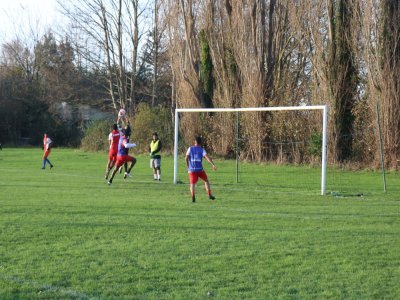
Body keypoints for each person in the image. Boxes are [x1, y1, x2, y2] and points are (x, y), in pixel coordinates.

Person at [185, 136, 216, 202]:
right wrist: (212, 164)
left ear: (195, 142)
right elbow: (207, 158)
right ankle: (209, 195)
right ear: (200, 143)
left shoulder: (190, 148)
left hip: (192, 170)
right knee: (206, 180)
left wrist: (187, 165)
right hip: (199, 170)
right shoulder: (202, 150)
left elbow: (186, 158)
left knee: (192, 184)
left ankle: (193, 197)